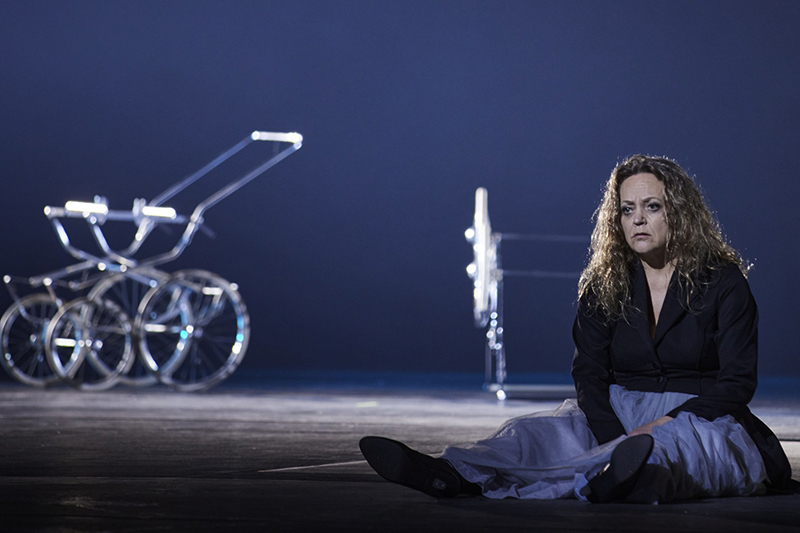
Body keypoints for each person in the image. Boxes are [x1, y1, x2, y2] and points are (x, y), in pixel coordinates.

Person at [360, 154, 793, 503]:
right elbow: (589, 375)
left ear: (679, 213)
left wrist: (658, 426)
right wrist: (611, 436)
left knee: (671, 453)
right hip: (619, 409)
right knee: (533, 437)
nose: (637, 219)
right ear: (616, 220)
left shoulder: (723, 281)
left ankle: (619, 481)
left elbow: (736, 384)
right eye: (627, 210)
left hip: (701, 416)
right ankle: (449, 473)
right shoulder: (606, 284)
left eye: (652, 206)